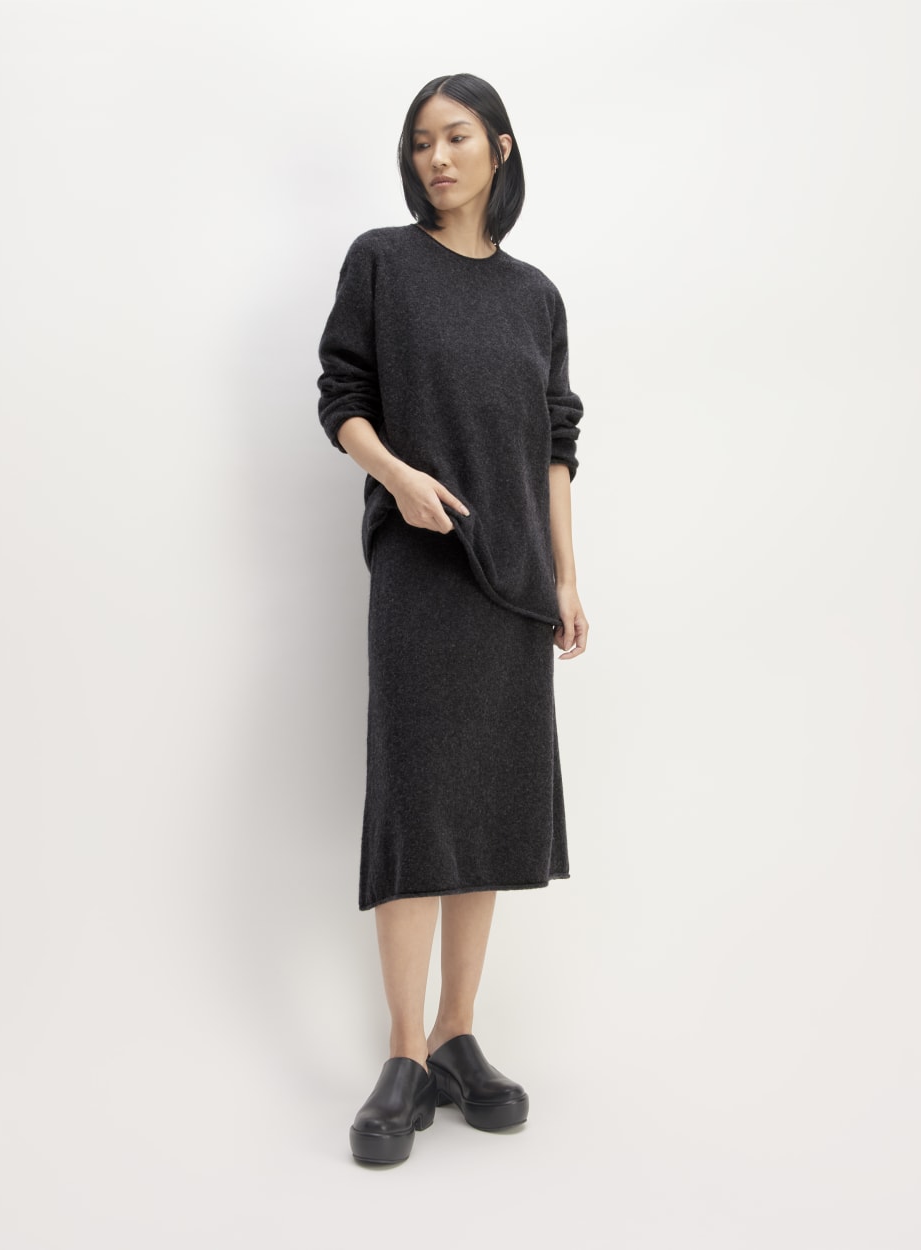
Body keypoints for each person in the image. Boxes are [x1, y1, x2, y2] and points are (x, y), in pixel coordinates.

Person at [317, 72, 588, 1166]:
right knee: (419, 803)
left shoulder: (536, 296)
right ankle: (401, 1051)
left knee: (484, 809)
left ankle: (457, 1034)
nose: (436, 157)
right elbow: (342, 397)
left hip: (515, 585)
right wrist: (397, 476)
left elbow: (556, 445)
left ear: (500, 149)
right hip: (421, 573)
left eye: (457, 137)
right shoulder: (381, 262)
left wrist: (566, 578)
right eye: (421, 141)